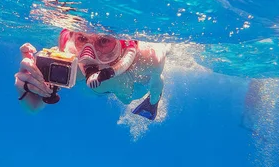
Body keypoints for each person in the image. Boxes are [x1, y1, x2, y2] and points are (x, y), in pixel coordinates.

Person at [14, 29, 169, 120]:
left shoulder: (148, 57)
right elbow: (32, 108)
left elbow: (155, 84)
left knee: (126, 98)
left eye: (103, 41)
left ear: (123, 43)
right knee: (90, 91)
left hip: (135, 85)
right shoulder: (71, 55)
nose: (88, 55)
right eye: (81, 39)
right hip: (93, 89)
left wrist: (153, 102)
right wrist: (27, 90)